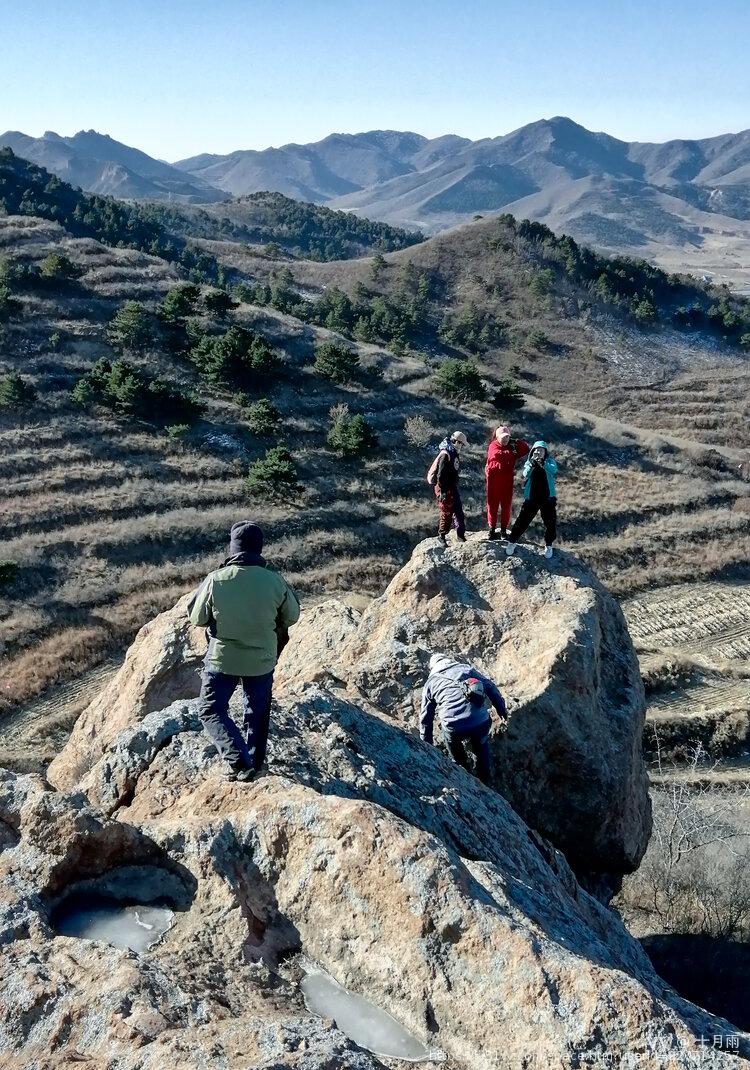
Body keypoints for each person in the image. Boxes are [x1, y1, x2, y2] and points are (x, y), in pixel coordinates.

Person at [187, 521, 300, 782]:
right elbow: (292, 615)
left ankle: (238, 762)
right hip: (261, 660)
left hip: (222, 659)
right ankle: (256, 764)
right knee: (257, 711)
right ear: (259, 549)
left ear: (233, 548)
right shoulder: (275, 580)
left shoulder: (216, 580)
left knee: (211, 710)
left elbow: (197, 617)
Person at [420, 653, 506, 785]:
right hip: (479, 721)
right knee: (481, 746)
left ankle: (461, 769)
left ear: (432, 667)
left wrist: (426, 745)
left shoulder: (430, 684)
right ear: (448, 660)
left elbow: (426, 718)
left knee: (447, 735)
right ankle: (484, 781)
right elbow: (490, 686)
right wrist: (501, 710)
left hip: (454, 726)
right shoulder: (466, 669)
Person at [505, 440, 558, 559]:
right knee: (522, 521)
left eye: (541, 450)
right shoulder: (529, 463)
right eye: (536, 450)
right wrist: (533, 464)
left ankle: (549, 545)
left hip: (547, 499)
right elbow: (525, 474)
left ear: (545, 452)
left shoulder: (549, 461)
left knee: (550, 523)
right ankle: (512, 542)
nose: (538, 452)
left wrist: (542, 463)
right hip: (532, 498)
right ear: (532, 452)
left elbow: (554, 470)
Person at [485, 425, 530, 540]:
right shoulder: (493, 445)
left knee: (506, 507)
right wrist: (512, 453)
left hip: (507, 482)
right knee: (493, 506)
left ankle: (504, 530)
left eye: (507, 437)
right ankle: (492, 529)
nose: (505, 440)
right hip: (493, 483)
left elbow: (525, 449)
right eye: (503, 437)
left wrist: (516, 441)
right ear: (497, 437)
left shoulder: (511, 446)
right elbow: (497, 456)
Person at [428, 430, 468, 546]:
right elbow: (440, 475)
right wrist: (443, 491)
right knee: (446, 512)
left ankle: (460, 535)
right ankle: (441, 536)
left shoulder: (453, 452)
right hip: (444, 488)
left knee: (458, 511)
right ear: (456, 442)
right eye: (461, 444)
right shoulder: (446, 454)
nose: (462, 446)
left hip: (452, 486)